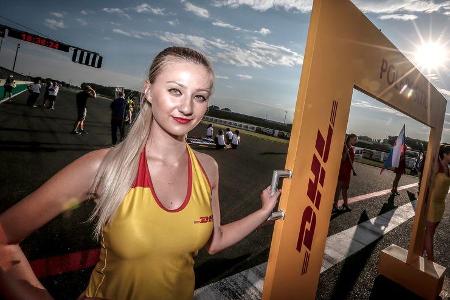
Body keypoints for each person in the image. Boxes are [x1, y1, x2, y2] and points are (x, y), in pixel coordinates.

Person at [0, 46, 281, 300]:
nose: (186, 107)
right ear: (148, 90)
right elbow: (3, 239)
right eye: (175, 90)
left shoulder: (208, 168)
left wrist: (262, 212)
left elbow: (216, 240)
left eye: (199, 96)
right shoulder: (104, 167)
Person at [423, 144, 450, 261]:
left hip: (441, 204)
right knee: (429, 232)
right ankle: (431, 259)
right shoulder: (437, 165)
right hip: (433, 204)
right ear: (444, 154)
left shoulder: (448, 168)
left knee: (431, 232)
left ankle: (420, 253)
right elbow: (427, 182)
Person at [333, 133, 358, 213]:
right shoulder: (344, 147)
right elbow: (342, 160)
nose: (355, 141)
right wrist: (345, 152)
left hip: (348, 171)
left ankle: (345, 204)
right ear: (350, 139)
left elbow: (351, 161)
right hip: (342, 170)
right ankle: (335, 205)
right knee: (338, 188)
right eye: (354, 139)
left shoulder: (351, 148)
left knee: (345, 189)